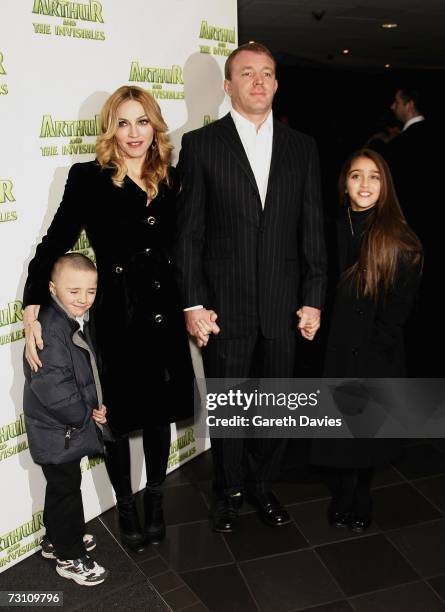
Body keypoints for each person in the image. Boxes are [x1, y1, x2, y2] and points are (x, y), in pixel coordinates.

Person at [23, 85, 195, 551]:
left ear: (154, 125)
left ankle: (155, 499)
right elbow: (55, 241)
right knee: (114, 415)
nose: (134, 132)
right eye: (123, 122)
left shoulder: (173, 179)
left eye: (142, 121)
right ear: (110, 129)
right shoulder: (89, 178)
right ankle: (125, 504)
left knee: (159, 415)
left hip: (162, 309)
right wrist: (32, 302)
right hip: (118, 313)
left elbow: (188, 247)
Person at [175, 42, 327, 532]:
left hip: (285, 307)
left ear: (277, 84)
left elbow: (312, 229)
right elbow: (190, 233)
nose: (258, 82)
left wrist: (314, 298)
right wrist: (194, 303)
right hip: (226, 305)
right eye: (246, 74)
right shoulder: (201, 145)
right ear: (228, 85)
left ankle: (263, 486)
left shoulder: (302, 147)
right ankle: (228, 492)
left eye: (266, 74)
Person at [311, 149, 423, 532]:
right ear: (344, 183)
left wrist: (375, 347)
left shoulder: (399, 238)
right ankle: (342, 492)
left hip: (375, 350)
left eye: (374, 177)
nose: (364, 184)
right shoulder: (331, 226)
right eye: (356, 176)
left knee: (364, 430)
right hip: (335, 345)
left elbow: (399, 308)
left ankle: (360, 493)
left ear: (384, 185)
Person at [23, 253, 109, 586]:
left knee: (62, 488)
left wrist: (96, 406)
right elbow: (54, 388)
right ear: (52, 288)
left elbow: (83, 376)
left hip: (65, 431)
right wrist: (86, 415)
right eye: (74, 292)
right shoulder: (49, 328)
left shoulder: (70, 321)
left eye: (90, 291)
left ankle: (56, 538)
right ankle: (70, 556)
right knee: (66, 491)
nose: (84, 299)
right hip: (58, 431)